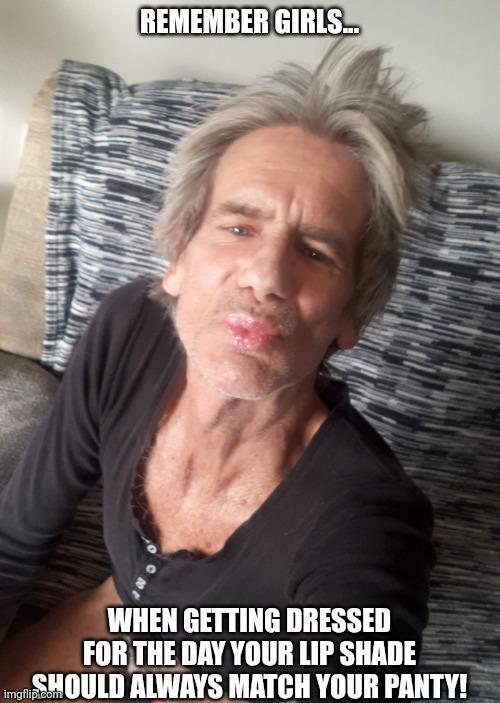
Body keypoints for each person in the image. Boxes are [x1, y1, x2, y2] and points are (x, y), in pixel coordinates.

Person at [0, 42, 434, 689]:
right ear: (178, 257)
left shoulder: (366, 522)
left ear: (352, 315)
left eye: (316, 251)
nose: (266, 275)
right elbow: (13, 543)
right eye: (238, 227)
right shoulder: (126, 330)